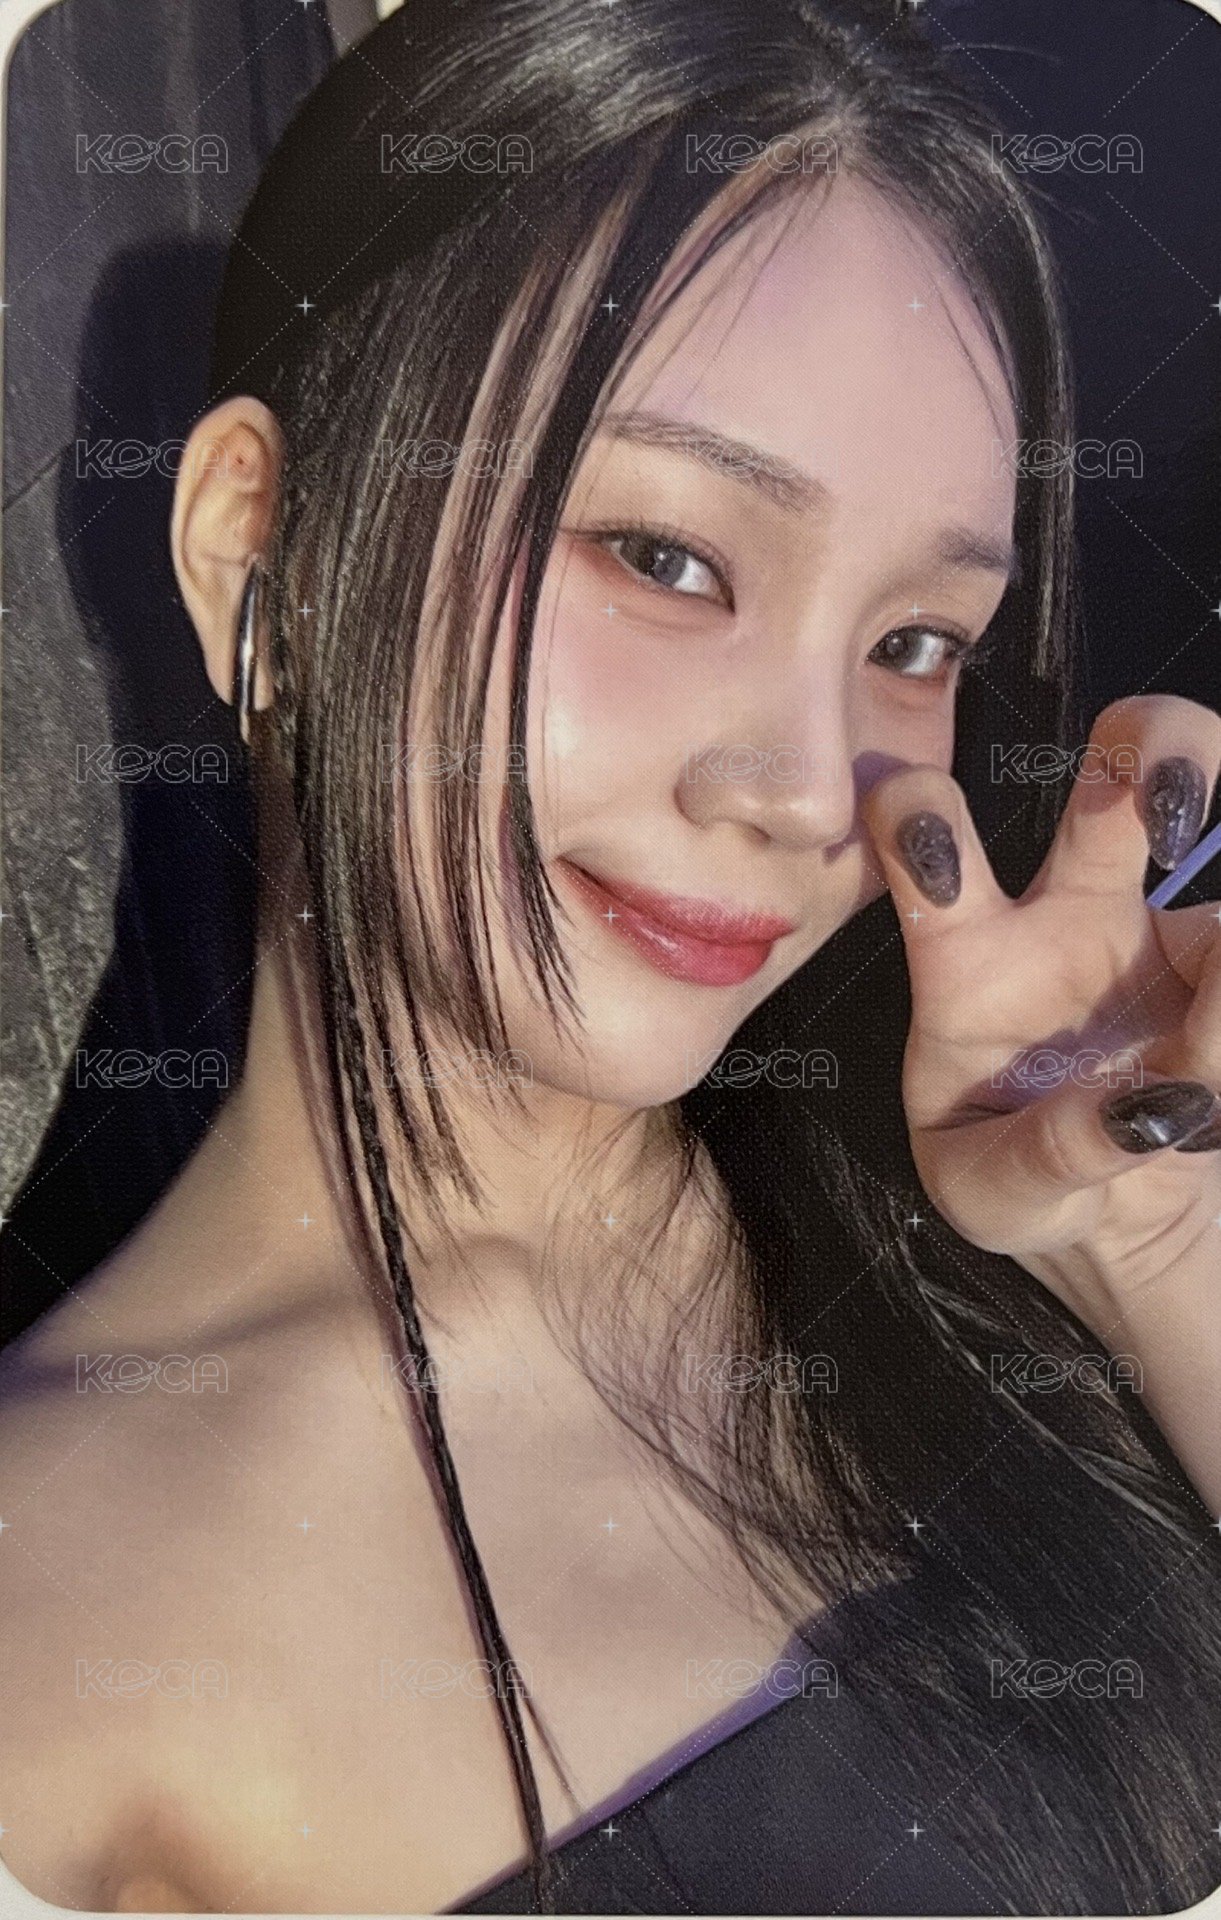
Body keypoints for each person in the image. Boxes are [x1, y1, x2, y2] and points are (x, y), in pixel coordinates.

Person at [1, 0, 1220, 1912]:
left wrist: (1147, 1247)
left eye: (913, 644)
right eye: (665, 558)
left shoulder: (999, 1225)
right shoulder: (52, 1614)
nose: (806, 791)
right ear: (258, 551)